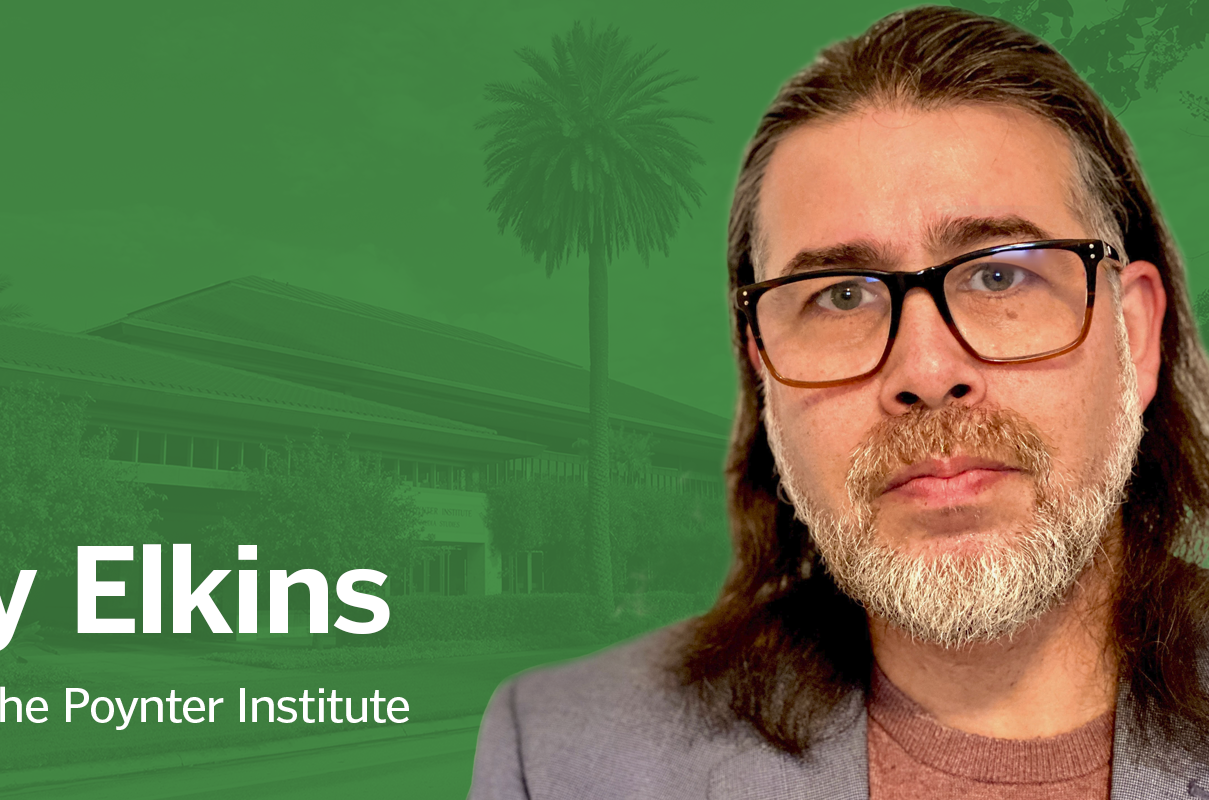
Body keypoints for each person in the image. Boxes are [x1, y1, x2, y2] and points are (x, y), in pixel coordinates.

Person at [469, 6, 1209, 798]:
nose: (925, 368)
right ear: (763, 374)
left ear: (1136, 337)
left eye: (999, 274)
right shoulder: (556, 755)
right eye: (843, 296)